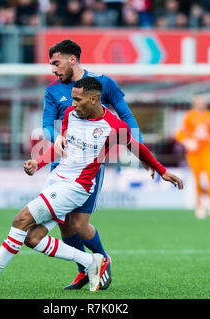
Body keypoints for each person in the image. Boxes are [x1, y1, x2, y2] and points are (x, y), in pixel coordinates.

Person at [0, 77, 183, 292]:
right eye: (72, 99)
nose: (72, 104)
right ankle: (90, 261)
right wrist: (38, 162)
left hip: (76, 187)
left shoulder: (113, 126)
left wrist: (161, 170)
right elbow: (63, 146)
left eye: (78, 99)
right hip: (57, 181)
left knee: (20, 220)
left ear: (94, 99)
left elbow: (137, 147)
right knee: (32, 238)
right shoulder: (70, 114)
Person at [39, 39, 153, 290]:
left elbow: (126, 115)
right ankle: (83, 270)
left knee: (78, 223)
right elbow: (47, 122)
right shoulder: (52, 90)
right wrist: (54, 137)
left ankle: (102, 259)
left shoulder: (104, 82)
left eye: (56, 63)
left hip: (89, 164)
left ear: (72, 59)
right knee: (64, 224)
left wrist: (140, 151)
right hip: (61, 163)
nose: (53, 69)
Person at [175, 94, 210, 219]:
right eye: (198, 102)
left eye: (203, 102)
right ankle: (200, 205)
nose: (201, 104)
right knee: (197, 178)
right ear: (194, 103)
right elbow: (179, 133)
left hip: (207, 151)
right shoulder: (189, 117)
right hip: (194, 153)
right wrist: (187, 142)